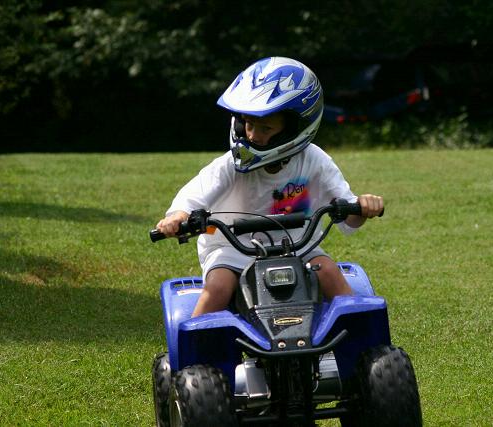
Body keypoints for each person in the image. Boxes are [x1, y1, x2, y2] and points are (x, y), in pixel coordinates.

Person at [156, 57, 384, 317]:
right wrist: (179, 216)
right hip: (233, 250)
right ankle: (195, 340)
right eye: (249, 124)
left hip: (298, 246)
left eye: (265, 128)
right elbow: (195, 194)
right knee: (219, 286)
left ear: (294, 128)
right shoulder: (230, 166)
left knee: (330, 272)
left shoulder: (314, 160)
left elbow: (348, 216)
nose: (253, 135)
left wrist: (362, 207)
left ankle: (358, 336)